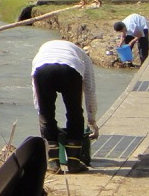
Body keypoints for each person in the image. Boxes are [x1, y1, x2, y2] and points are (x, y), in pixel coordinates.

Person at [31, 39, 99, 174]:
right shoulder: (82, 56)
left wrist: (42, 113)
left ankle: (53, 164)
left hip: (43, 69)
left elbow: (35, 93)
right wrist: (92, 120)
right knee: (74, 112)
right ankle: (73, 162)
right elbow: (90, 89)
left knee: (47, 114)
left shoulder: (42, 52)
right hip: (70, 70)